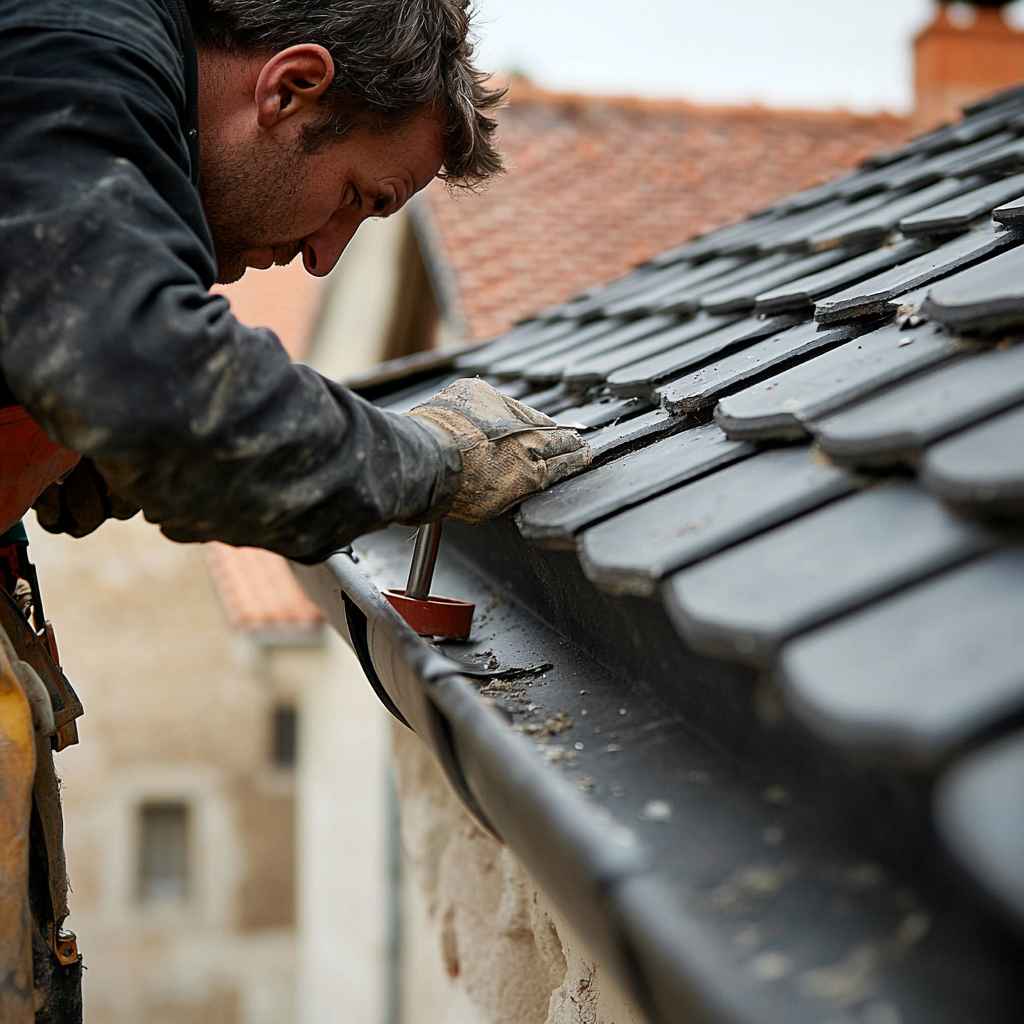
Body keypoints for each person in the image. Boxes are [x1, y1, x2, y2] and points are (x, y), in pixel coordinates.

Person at [0, 1, 590, 1018]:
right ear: (290, 87)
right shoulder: (72, 56)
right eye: (355, 198)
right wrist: (431, 459)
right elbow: (153, 381)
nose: (324, 255)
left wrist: (59, 444)